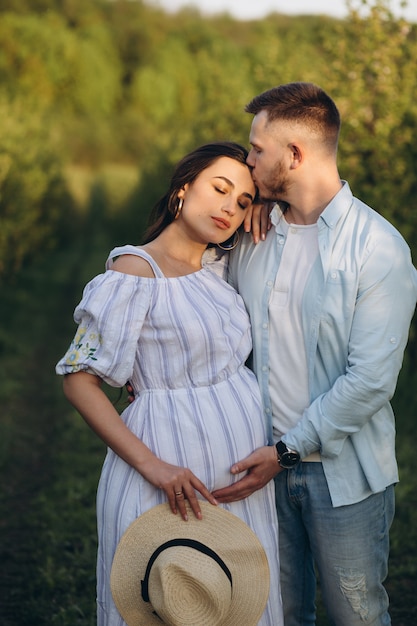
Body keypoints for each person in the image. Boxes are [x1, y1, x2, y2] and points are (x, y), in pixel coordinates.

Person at [212, 83, 417, 625]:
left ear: (295, 155)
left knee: (357, 616)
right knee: (272, 614)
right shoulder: (252, 235)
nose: (247, 159)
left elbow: (370, 381)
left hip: (342, 477)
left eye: (257, 150)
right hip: (255, 469)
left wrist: (286, 451)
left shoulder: (378, 248)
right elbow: (207, 309)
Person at [55, 142, 283, 626]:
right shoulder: (134, 271)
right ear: (182, 189)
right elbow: (78, 381)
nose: (229, 207)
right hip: (166, 468)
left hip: (239, 481)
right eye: (219, 189)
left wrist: (264, 206)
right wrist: (155, 467)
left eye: (243, 201)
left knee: (234, 600)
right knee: (169, 599)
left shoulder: (220, 269)